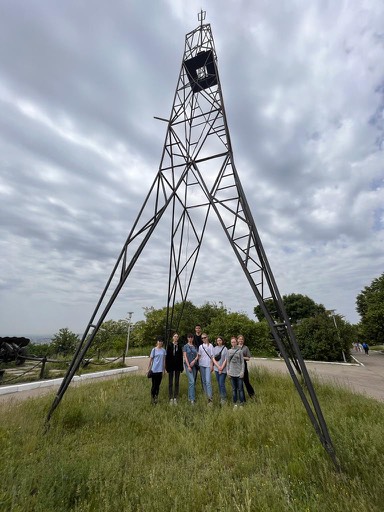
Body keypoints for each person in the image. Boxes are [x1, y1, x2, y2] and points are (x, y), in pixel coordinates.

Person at [227, 336, 245, 408]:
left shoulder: (240, 351)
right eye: (232, 342)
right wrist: (227, 371)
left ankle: (241, 403)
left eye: (234, 342)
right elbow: (228, 362)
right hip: (231, 373)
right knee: (234, 389)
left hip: (239, 373)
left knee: (240, 389)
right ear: (231, 343)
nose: (233, 343)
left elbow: (242, 363)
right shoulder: (228, 351)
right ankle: (235, 403)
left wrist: (242, 372)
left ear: (236, 342)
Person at [165, 332, 184, 404]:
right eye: (175, 336)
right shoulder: (169, 345)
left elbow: (180, 357)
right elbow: (167, 357)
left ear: (178, 338)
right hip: (171, 366)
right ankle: (170, 397)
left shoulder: (179, 346)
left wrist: (181, 367)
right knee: (170, 382)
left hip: (177, 366)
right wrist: (167, 366)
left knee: (176, 382)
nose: (176, 337)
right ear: (173, 337)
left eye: (177, 336)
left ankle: (175, 397)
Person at [147, 336, 166, 404]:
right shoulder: (154, 350)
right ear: (157, 342)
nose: (160, 342)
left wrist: (164, 370)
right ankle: (152, 397)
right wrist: (148, 368)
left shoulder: (163, 350)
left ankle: (156, 397)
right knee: (154, 385)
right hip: (154, 370)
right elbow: (151, 359)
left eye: (161, 341)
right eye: (159, 341)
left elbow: (164, 361)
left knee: (158, 385)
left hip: (160, 371)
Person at [197, 333, 214, 404]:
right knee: (203, 381)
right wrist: (196, 362)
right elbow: (199, 355)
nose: (203, 339)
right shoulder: (200, 346)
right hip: (201, 365)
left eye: (205, 337)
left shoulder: (211, 346)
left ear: (207, 337)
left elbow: (212, 356)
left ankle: (210, 398)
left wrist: (212, 365)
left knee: (208, 381)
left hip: (208, 365)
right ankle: (206, 395)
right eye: (202, 338)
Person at [237, 334, 255, 399]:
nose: (240, 340)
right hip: (236, 366)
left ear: (243, 340)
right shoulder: (235, 347)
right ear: (237, 340)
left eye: (242, 339)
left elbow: (248, 358)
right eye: (239, 339)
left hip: (244, 365)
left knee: (246, 381)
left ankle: (252, 395)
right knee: (239, 383)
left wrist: (241, 357)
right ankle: (242, 397)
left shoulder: (246, 348)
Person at [183, 333, 198, 404]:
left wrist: (194, 361)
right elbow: (185, 356)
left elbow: (198, 355)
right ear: (187, 338)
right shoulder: (185, 346)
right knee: (192, 381)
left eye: (191, 337)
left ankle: (189, 397)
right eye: (189, 337)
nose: (190, 338)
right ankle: (192, 399)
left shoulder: (195, 346)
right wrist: (188, 366)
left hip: (194, 365)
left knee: (192, 382)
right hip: (188, 365)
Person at [212, 336, 228, 404]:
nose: (219, 342)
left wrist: (221, 368)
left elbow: (226, 359)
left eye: (220, 340)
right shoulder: (215, 348)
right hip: (216, 369)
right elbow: (213, 358)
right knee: (219, 383)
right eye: (218, 340)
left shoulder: (225, 349)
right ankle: (221, 395)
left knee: (222, 383)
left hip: (223, 369)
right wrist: (218, 367)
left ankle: (223, 398)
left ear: (222, 341)